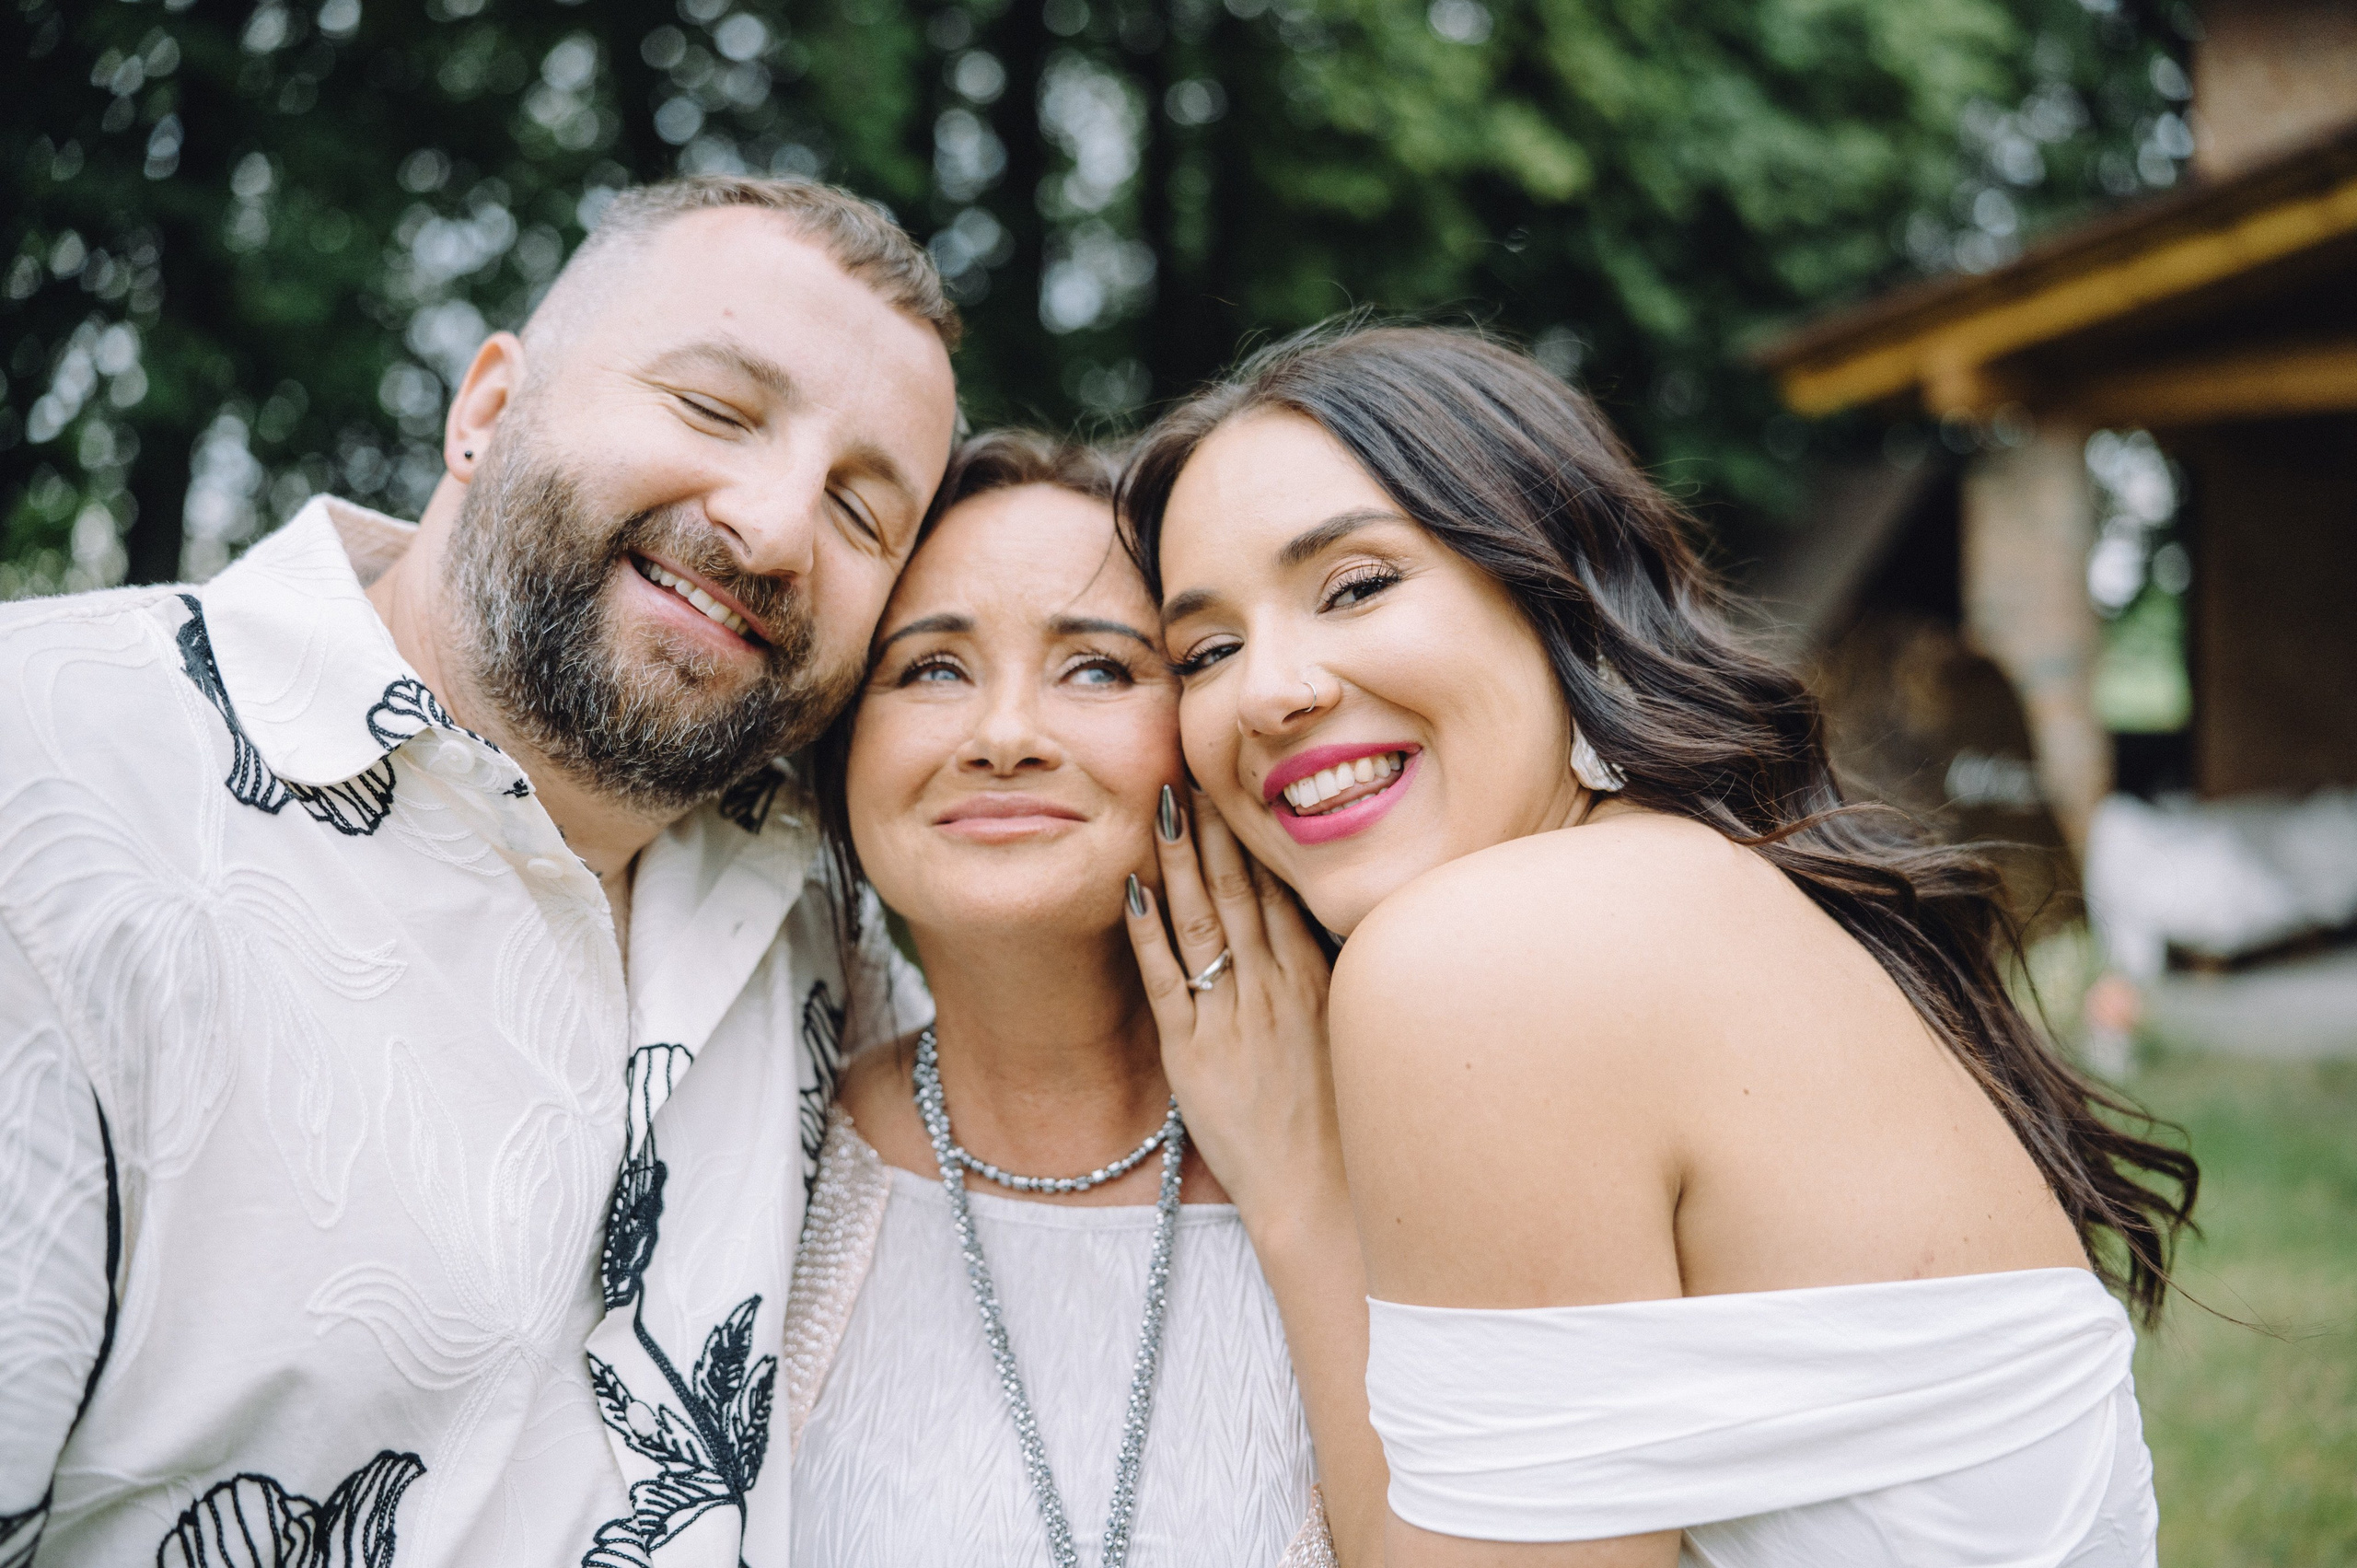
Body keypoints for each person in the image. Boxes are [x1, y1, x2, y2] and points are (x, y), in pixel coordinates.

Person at [1118, 323, 2199, 1566]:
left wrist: (1299, 1188)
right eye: (1206, 651)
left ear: (1553, 587)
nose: (1269, 691)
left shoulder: (1484, 958)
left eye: (1357, 585)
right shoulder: (1714, 884)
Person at [0, 175, 957, 1567]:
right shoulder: (49, 777)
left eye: (863, 513)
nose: (772, 528)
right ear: (488, 407)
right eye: (714, 408)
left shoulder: (832, 910)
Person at [781, 431, 1366, 1565]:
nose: (1003, 736)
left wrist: (1307, 1198)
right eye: (931, 668)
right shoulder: (758, 1154)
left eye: (1096, 667)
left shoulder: (1414, 1133)